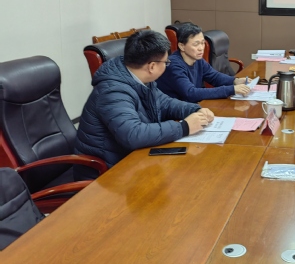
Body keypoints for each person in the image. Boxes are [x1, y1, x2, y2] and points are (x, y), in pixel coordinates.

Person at [74, 30, 214, 178]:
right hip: (106, 173)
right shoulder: (112, 91)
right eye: (166, 62)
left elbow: (165, 103)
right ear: (152, 66)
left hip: (132, 161)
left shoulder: (140, 77)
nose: (167, 66)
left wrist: (195, 109)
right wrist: (184, 127)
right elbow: (133, 134)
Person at [156, 23, 250, 102]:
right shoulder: (173, 65)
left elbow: (214, 76)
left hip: (191, 107)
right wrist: (231, 89)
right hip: (175, 113)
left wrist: (235, 81)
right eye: (196, 44)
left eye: (202, 43)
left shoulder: (198, 59)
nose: (201, 48)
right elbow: (190, 93)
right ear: (182, 46)